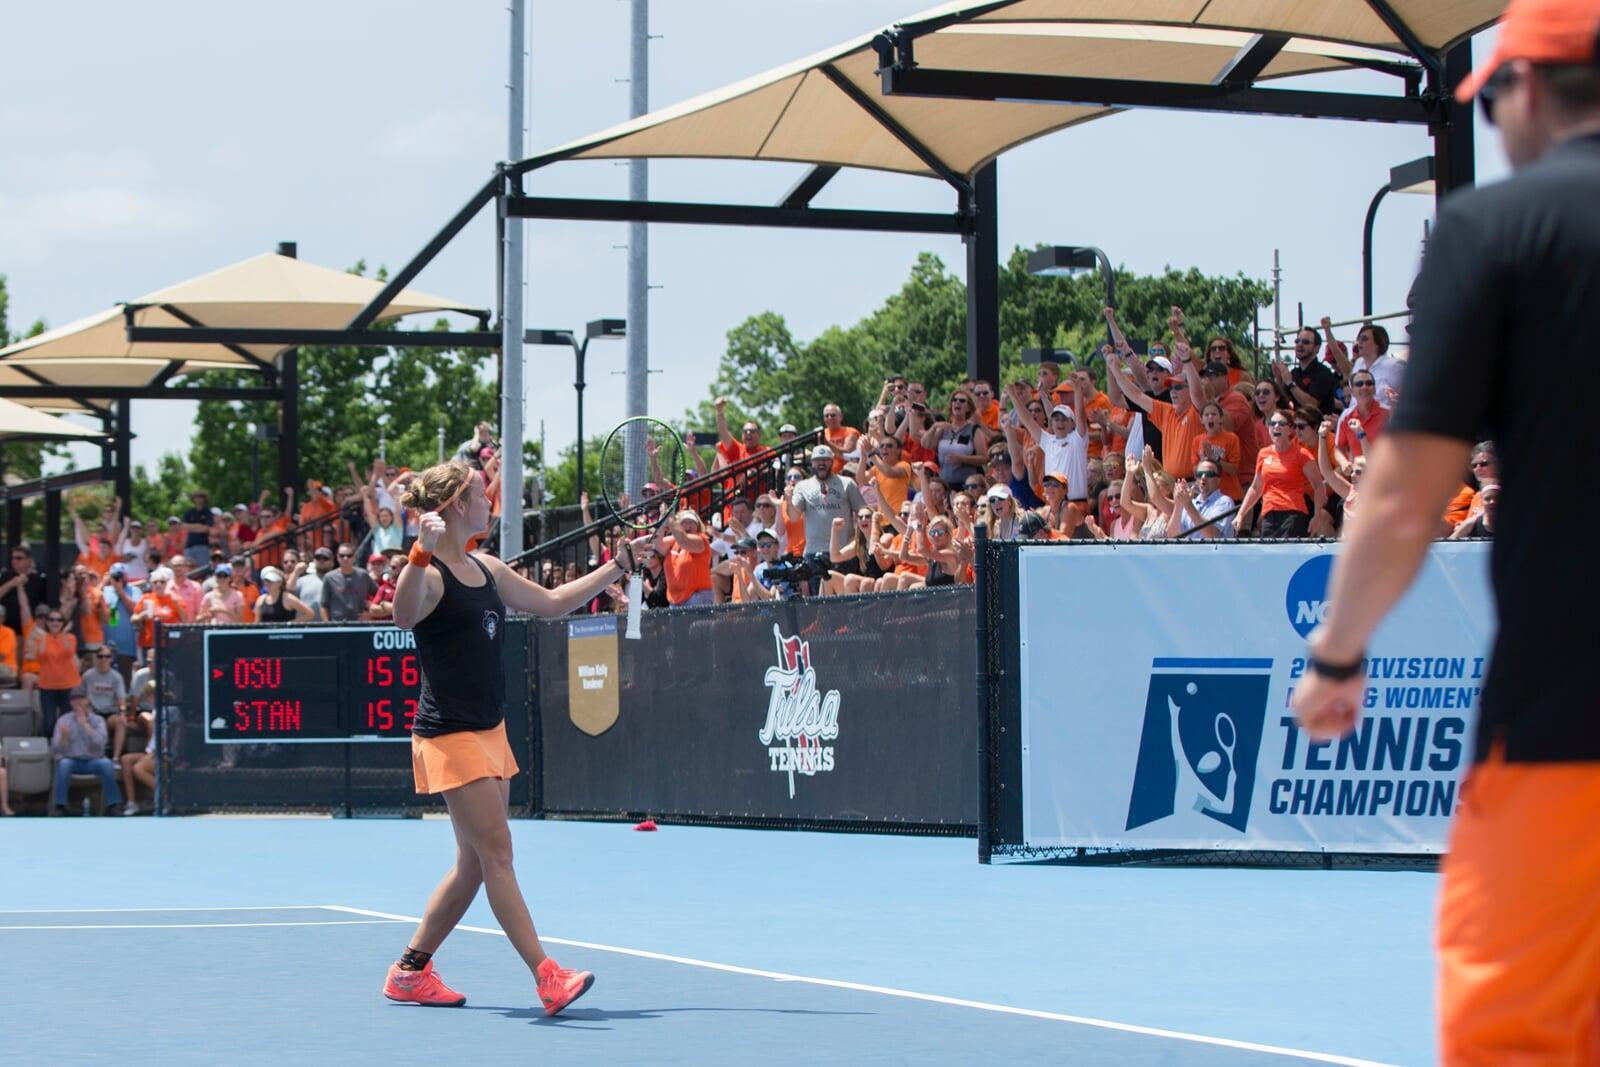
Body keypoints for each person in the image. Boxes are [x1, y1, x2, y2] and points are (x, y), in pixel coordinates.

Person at [1292, 7, 1600, 1060]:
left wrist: (1337, 651)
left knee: (1517, 1035)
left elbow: (1406, 485)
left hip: (1570, 722)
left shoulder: (1496, 231)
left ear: (1519, 91)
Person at [386, 460, 645, 1013]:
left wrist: (616, 566)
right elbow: (403, 615)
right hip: (449, 736)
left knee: (476, 864)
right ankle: (547, 975)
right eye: (481, 494)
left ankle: (409, 972)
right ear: (459, 506)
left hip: (488, 729)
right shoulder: (430, 574)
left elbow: (552, 603)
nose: (490, 501)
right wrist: (417, 553)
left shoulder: (487, 568)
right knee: (498, 852)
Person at [1237, 413, 1326, 538]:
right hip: (1269, 516)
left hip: (1293, 514)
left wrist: (1317, 517)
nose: (1276, 426)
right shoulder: (1263, 453)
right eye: (1272, 423)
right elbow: (1256, 488)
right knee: (1271, 556)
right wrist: (1241, 514)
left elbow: (1318, 486)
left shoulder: (1302, 454)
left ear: (1290, 429)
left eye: (1281, 424)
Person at [51, 686, 122, 815]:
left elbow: (101, 744)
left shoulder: (98, 720)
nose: (77, 701)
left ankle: (113, 805)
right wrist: (63, 738)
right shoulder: (63, 720)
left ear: (87, 700)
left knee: (106, 764)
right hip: (72, 759)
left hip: (93, 760)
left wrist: (85, 726)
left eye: (81, 698)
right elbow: (56, 749)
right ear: (70, 702)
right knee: (63, 764)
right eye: (74, 699)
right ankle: (60, 806)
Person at [320, 543, 377, 621]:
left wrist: (370, 614)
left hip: (360, 625)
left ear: (354, 558)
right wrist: (327, 626)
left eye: (349, 555)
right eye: (342, 555)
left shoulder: (363, 575)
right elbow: (323, 605)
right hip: (337, 626)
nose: (345, 558)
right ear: (337, 558)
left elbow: (378, 595)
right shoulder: (329, 577)